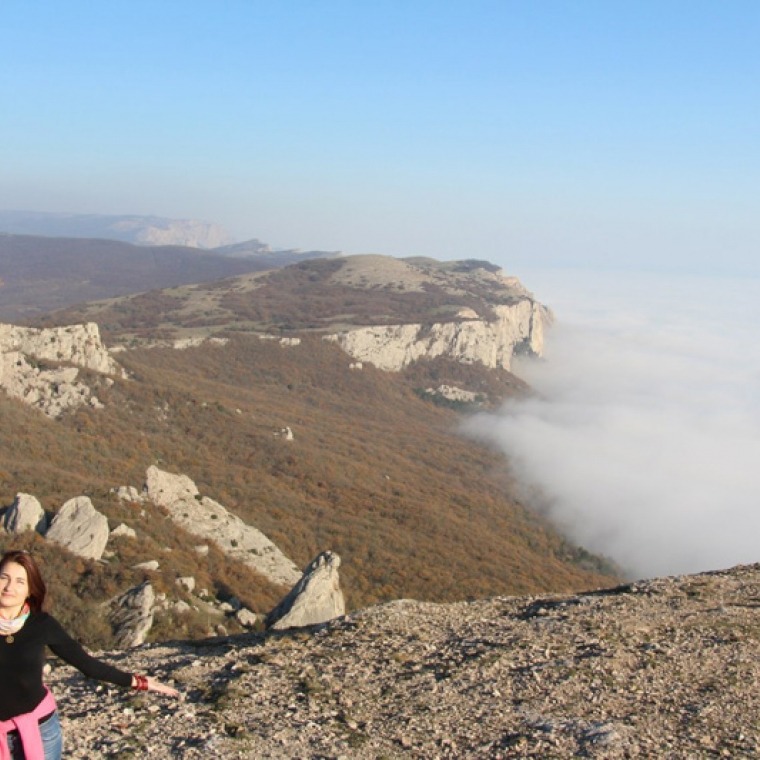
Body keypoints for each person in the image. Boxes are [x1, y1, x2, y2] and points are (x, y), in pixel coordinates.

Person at [0, 549, 178, 760]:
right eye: (4, 578)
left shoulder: (42, 625)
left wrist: (137, 682)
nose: (10, 587)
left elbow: (86, 664)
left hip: (39, 729)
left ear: (30, 589)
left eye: (20, 581)